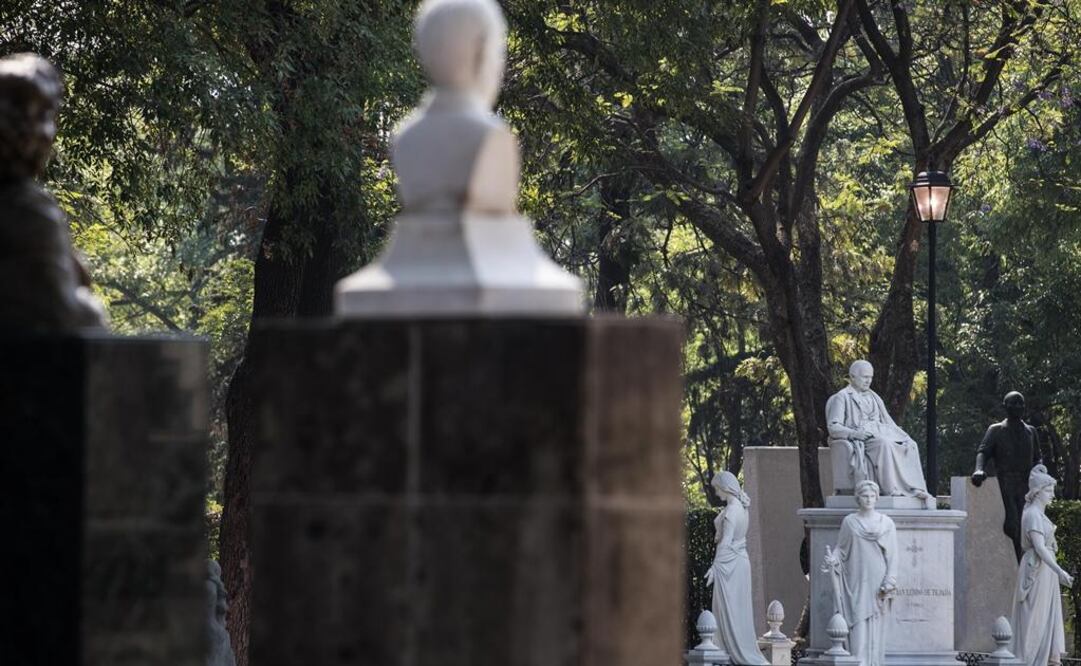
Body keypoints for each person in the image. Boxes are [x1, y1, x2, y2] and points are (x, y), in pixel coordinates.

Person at [0, 53, 106, 330]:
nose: (50, 132)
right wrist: (91, 307)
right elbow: (68, 318)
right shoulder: (27, 211)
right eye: (44, 116)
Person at [826, 360, 932, 507]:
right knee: (885, 444)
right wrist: (854, 434)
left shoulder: (874, 397)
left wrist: (903, 435)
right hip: (862, 437)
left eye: (870, 377)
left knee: (911, 444)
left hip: (881, 431)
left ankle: (913, 488)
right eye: (864, 377)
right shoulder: (842, 397)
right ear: (852, 376)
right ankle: (892, 488)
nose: (868, 381)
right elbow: (833, 427)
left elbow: (889, 422)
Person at [823, 480, 897, 666]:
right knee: (857, 623)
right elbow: (841, 549)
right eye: (865, 496)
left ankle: (873, 662)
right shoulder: (850, 522)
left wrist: (890, 579)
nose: (869, 499)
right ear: (858, 498)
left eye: (872, 496)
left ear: (877, 498)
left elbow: (893, 556)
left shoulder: (886, 523)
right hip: (854, 580)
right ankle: (858, 661)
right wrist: (833, 560)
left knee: (875, 623)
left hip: (877, 579)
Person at [704, 471, 768, 665]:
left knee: (727, 610)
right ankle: (730, 649)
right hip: (739, 563)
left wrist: (715, 566)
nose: (716, 493)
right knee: (737, 612)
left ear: (725, 487)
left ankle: (727, 651)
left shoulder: (732, 511)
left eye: (717, 489)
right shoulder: (740, 506)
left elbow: (725, 542)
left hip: (728, 566)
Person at [1010, 465, 1072, 666]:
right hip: (1036, 571)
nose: (1052, 494)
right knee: (1034, 620)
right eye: (1048, 490)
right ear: (1037, 492)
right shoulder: (1032, 515)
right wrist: (1059, 570)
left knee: (1046, 619)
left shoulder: (1040, 515)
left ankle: (1044, 660)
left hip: (1046, 571)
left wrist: (1055, 570)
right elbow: (1039, 548)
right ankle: (1029, 660)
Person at [971, 391, 1042, 561]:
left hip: (1027, 484)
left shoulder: (1031, 431)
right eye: (1013, 403)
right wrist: (979, 469)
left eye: (1020, 403)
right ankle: (1019, 564)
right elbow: (983, 452)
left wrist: (1040, 468)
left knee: (1028, 526)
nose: (1018, 407)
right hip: (1006, 482)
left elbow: (1038, 457)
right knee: (1012, 524)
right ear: (1005, 406)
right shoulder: (996, 430)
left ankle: (1025, 565)